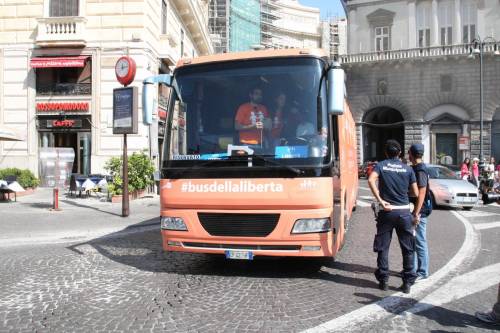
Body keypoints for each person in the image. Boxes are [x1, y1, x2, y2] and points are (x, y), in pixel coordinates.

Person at [368, 139, 418, 294]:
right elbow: (416, 192)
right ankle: (407, 282)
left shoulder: (381, 165)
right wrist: (404, 193)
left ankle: (383, 280)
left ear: (385, 152)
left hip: (387, 212)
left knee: (383, 247)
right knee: (407, 248)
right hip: (404, 212)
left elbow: (370, 180)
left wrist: (381, 200)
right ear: (400, 153)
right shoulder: (407, 169)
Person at [408, 144, 432, 282]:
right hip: (415, 209)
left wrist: (416, 213)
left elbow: (421, 193)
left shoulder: (420, 170)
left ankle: (422, 271)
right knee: (413, 240)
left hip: (419, 211)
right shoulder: (417, 168)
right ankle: (413, 268)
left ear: (411, 153)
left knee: (420, 241)